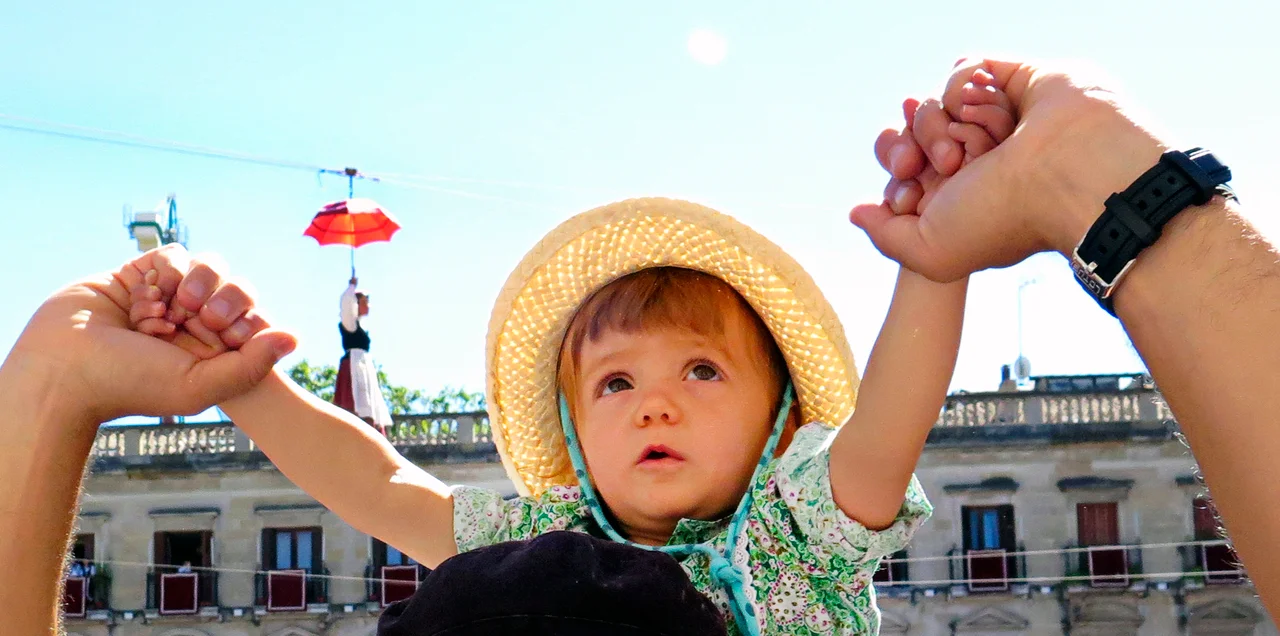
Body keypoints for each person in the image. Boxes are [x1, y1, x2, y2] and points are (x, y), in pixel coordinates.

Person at [0, 55, 1273, 633]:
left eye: (700, 371)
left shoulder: (795, 527)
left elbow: (889, 415)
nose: (652, 403)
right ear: (570, 426)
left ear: (778, 422)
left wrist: (930, 262)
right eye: (613, 382)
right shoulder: (536, 539)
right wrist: (249, 388)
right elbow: (375, 482)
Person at [334, 276, 393, 435]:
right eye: (364, 302)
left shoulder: (359, 325)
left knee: (367, 400)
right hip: (354, 366)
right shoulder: (350, 324)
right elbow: (346, 305)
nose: (368, 306)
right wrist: (351, 287)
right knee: (356, 401)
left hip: (363, 365)